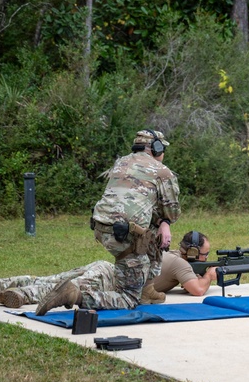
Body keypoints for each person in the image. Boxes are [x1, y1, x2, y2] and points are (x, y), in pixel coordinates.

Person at [36, 128, 180, 315]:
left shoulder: (121, 163)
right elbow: (172, 212)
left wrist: (159, 222)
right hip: (125, 237)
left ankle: (147, 290)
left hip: (101, 228)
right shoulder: (162, 171)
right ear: (156, 148)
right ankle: (74, 295)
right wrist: (165, 222)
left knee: (151, 230)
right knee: (128, 298)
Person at [0, 231, 217, 308]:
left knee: (48, 278)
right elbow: (196, 291)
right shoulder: (182, 264)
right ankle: (21, 296)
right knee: (58, 287)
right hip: (110, 280)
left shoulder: (171, 255)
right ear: (194, 254)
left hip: (105, 268)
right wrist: (208, 276)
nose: (206, 257)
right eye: (204, 254)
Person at [151, 230, 219, 297]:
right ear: (193, 252)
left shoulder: (174, 255)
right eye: (205, 254)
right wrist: (209, 275)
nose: (207, 257)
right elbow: (198, 290)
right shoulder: (179, 263)